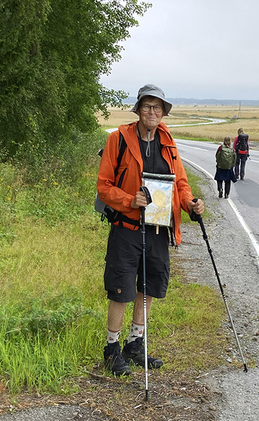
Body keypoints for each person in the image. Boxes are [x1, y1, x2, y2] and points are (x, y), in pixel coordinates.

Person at [96, 83, 205, 376]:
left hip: (157, 229)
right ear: (138, 109)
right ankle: (111, 349)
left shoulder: (168, 143)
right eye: (147, 106)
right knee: (121, 290)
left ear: (163, 112)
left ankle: (135, 344)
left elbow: (179, 184)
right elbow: (104, 186)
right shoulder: (119, 139)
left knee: (148, 288)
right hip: (127, 227)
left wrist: (191, 204)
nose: (152, 112)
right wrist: (129, 200)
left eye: (158, 107)